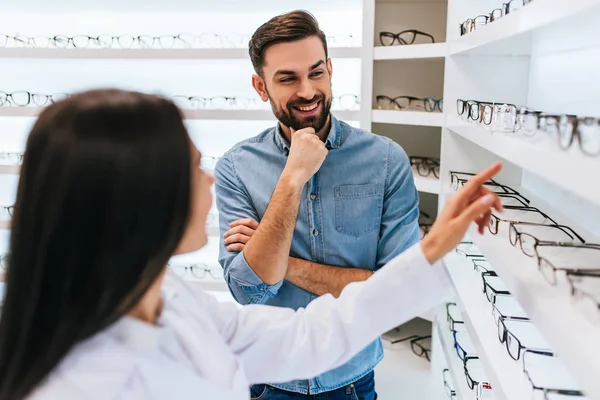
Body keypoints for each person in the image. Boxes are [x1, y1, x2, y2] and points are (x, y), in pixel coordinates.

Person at [0, 88, 502, 400]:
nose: (212, 180)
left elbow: (302, 337)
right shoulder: (83, 385)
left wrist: (429, 251)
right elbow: (249, 287)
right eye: (194, 167)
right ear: (143, 199)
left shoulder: (166, 296)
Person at [214, 10, 423, 398]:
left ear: (329, 68)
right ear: (261, 87)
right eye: (287, 78)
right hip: (267, 381)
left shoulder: (386, 160)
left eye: (316, 72)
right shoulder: (235, 168)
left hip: (352, 382)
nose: (308, 91)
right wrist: (292, 179)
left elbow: (397, 291)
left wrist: (278, 260)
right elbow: (247, 290)